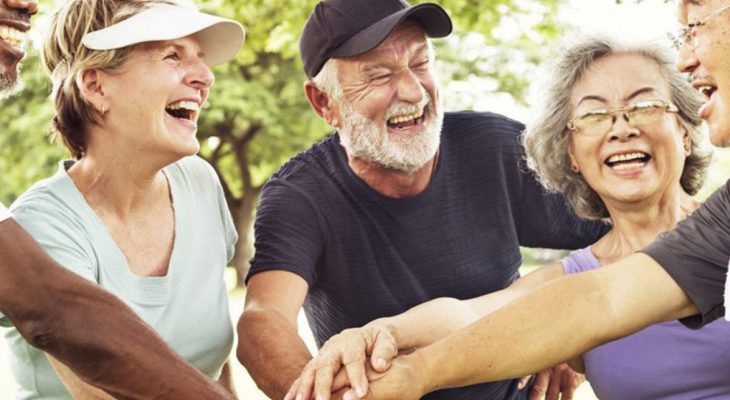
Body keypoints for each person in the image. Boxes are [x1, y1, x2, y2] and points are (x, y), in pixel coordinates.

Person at [314, 2, 730, 398]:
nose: (621, 128)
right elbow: (477, 315)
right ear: (570, 153)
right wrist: (383, 332)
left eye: (643, 106)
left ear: (687, 128)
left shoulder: (720, 229)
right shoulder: (576, 283)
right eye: (593, 114)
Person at [236, 1, 607, 399]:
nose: (413, 92)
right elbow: (264, 318)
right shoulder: (300, 194)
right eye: (378, 75)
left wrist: (574, 334)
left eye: (421, 63)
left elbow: (641, 231)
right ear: (325, 103)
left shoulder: (495, 149)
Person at [3, 0, 244, 398]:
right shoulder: (41, 226)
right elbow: (100, 388)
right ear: (96, 86)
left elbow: (210, 366)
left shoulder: (200, 184)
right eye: (172, 55)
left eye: (200, 58)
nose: (205, 77)